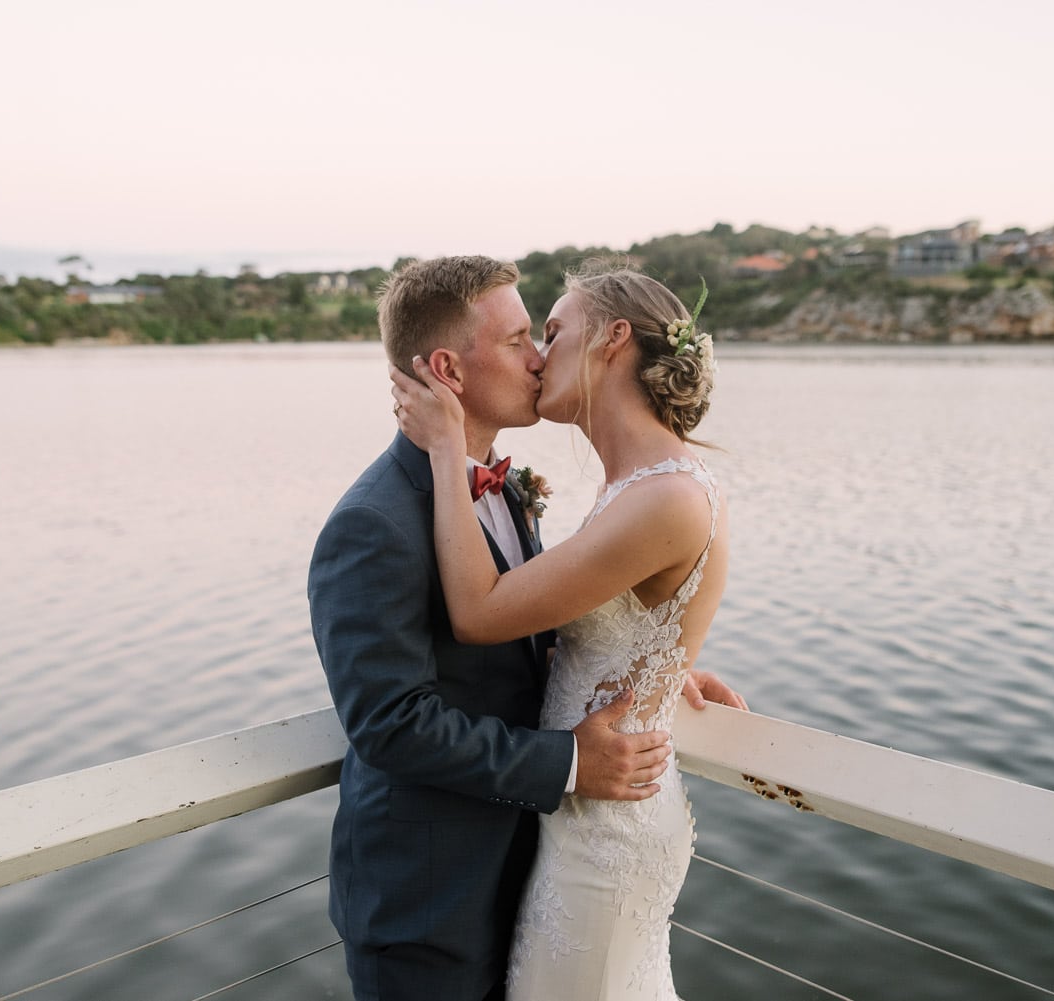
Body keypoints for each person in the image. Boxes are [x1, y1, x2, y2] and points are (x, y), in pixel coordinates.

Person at [308, 255, 742, 1001]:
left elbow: (530, 627)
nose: (539, 357)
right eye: (518, 339)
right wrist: (572, 759)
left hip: (540, 856)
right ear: (448, 368)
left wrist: (658, 667)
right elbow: (389, 723)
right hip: (429, 897)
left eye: (544, 333)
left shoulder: (507, 488)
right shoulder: (370, 525)